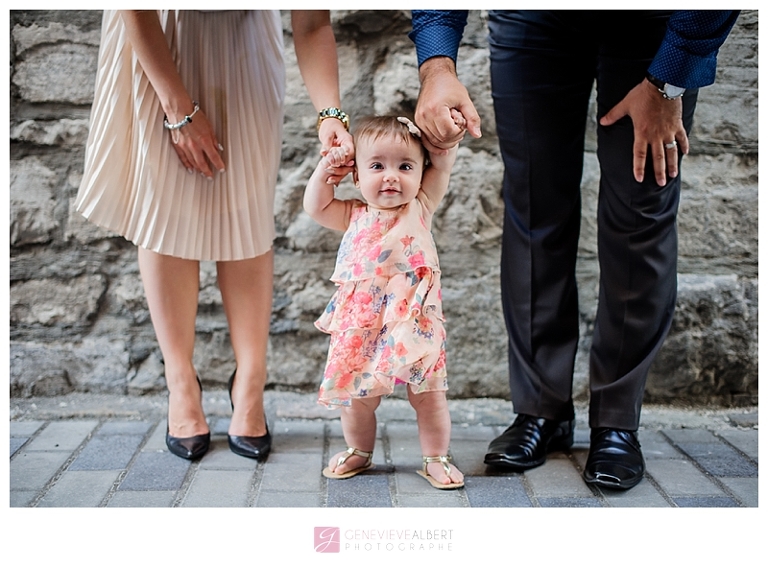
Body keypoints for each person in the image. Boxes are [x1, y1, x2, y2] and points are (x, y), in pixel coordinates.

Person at [409, 10, 739, 489]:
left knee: (641, 208)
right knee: (533, 206)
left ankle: (618, 422)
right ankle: (541, 412)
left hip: (652, 24)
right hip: (532, 20)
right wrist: (437, 65)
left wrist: (669, 82)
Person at [75, 10, 353, 460]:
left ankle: (251, 380)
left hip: (245, 39)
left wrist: (330, 113)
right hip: (159, 37)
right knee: (163, 213)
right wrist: (177, 107)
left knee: (247, 212)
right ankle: (180, 382)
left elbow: (313, 22)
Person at [303, 115, 465, 489]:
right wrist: (326, 167)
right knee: (357, 397)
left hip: (413, 320)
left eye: (405, 166)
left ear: (421, 173)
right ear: (356, 176)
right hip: (363, 321)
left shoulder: (420, 206)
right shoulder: (353, 214)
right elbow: (315, 205)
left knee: (429, 393)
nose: (391, 176)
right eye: (377, 166)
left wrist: (448, 138)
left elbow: (443, 161)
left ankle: (436, 457)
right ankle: (359, 450)